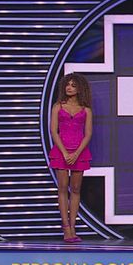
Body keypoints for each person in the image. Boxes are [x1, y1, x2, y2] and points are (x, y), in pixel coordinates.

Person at [49, 73, 93, 243]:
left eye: (73, 85)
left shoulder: (86, 110)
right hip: (61, 152)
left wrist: (76, 153)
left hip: (79, 153)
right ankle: (66, 228)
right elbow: (54, 131)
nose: (69, 88)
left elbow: (88, 134)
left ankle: (73, 227)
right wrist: (65, 153)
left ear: (80, 88)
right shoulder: (58, 107)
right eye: (67, 84)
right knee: (62, 188)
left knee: (75, 189)